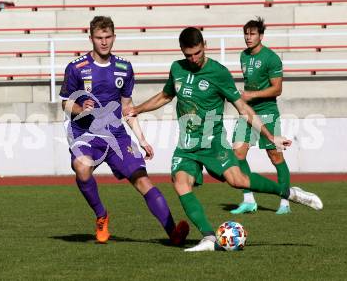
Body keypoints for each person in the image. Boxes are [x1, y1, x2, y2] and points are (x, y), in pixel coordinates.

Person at [126, 27, 323, 252]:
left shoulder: (218, 73)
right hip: (187, 145)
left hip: (213, 142)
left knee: (237, 180)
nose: (193, 59)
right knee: (181, 183)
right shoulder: (177, 68)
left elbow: (242, 107)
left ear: (205, 45)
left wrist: (269, 135)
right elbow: (165, 95)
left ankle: (290, 193)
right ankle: (209, 238)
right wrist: (138, 109)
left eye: (197, 53)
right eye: (188, 55)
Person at [59, 16, 189, 245]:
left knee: (142, 180)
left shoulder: (124, 67)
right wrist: (79, 108)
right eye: (99, 38)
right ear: (91, 38)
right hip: (85, 134)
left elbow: (127, 106)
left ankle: (173, 232)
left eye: (108, 37)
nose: (104, 42)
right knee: (81, 167)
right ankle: (101, 216)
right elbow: (64, 103)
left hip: (116, 135)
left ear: (114, 37)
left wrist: (142, 139)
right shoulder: (76, 67)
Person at [231, 17, 290, 215]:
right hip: (247, 111)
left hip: (267, 111)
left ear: (261, 35)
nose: (248, 38)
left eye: (252, 34)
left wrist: (252, 94)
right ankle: (248, 200)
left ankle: (285, 201)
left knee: (275, 157)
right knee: (238, 153)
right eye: (246, 34)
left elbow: (277, 89)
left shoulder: (271, 58)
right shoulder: (243, 56)